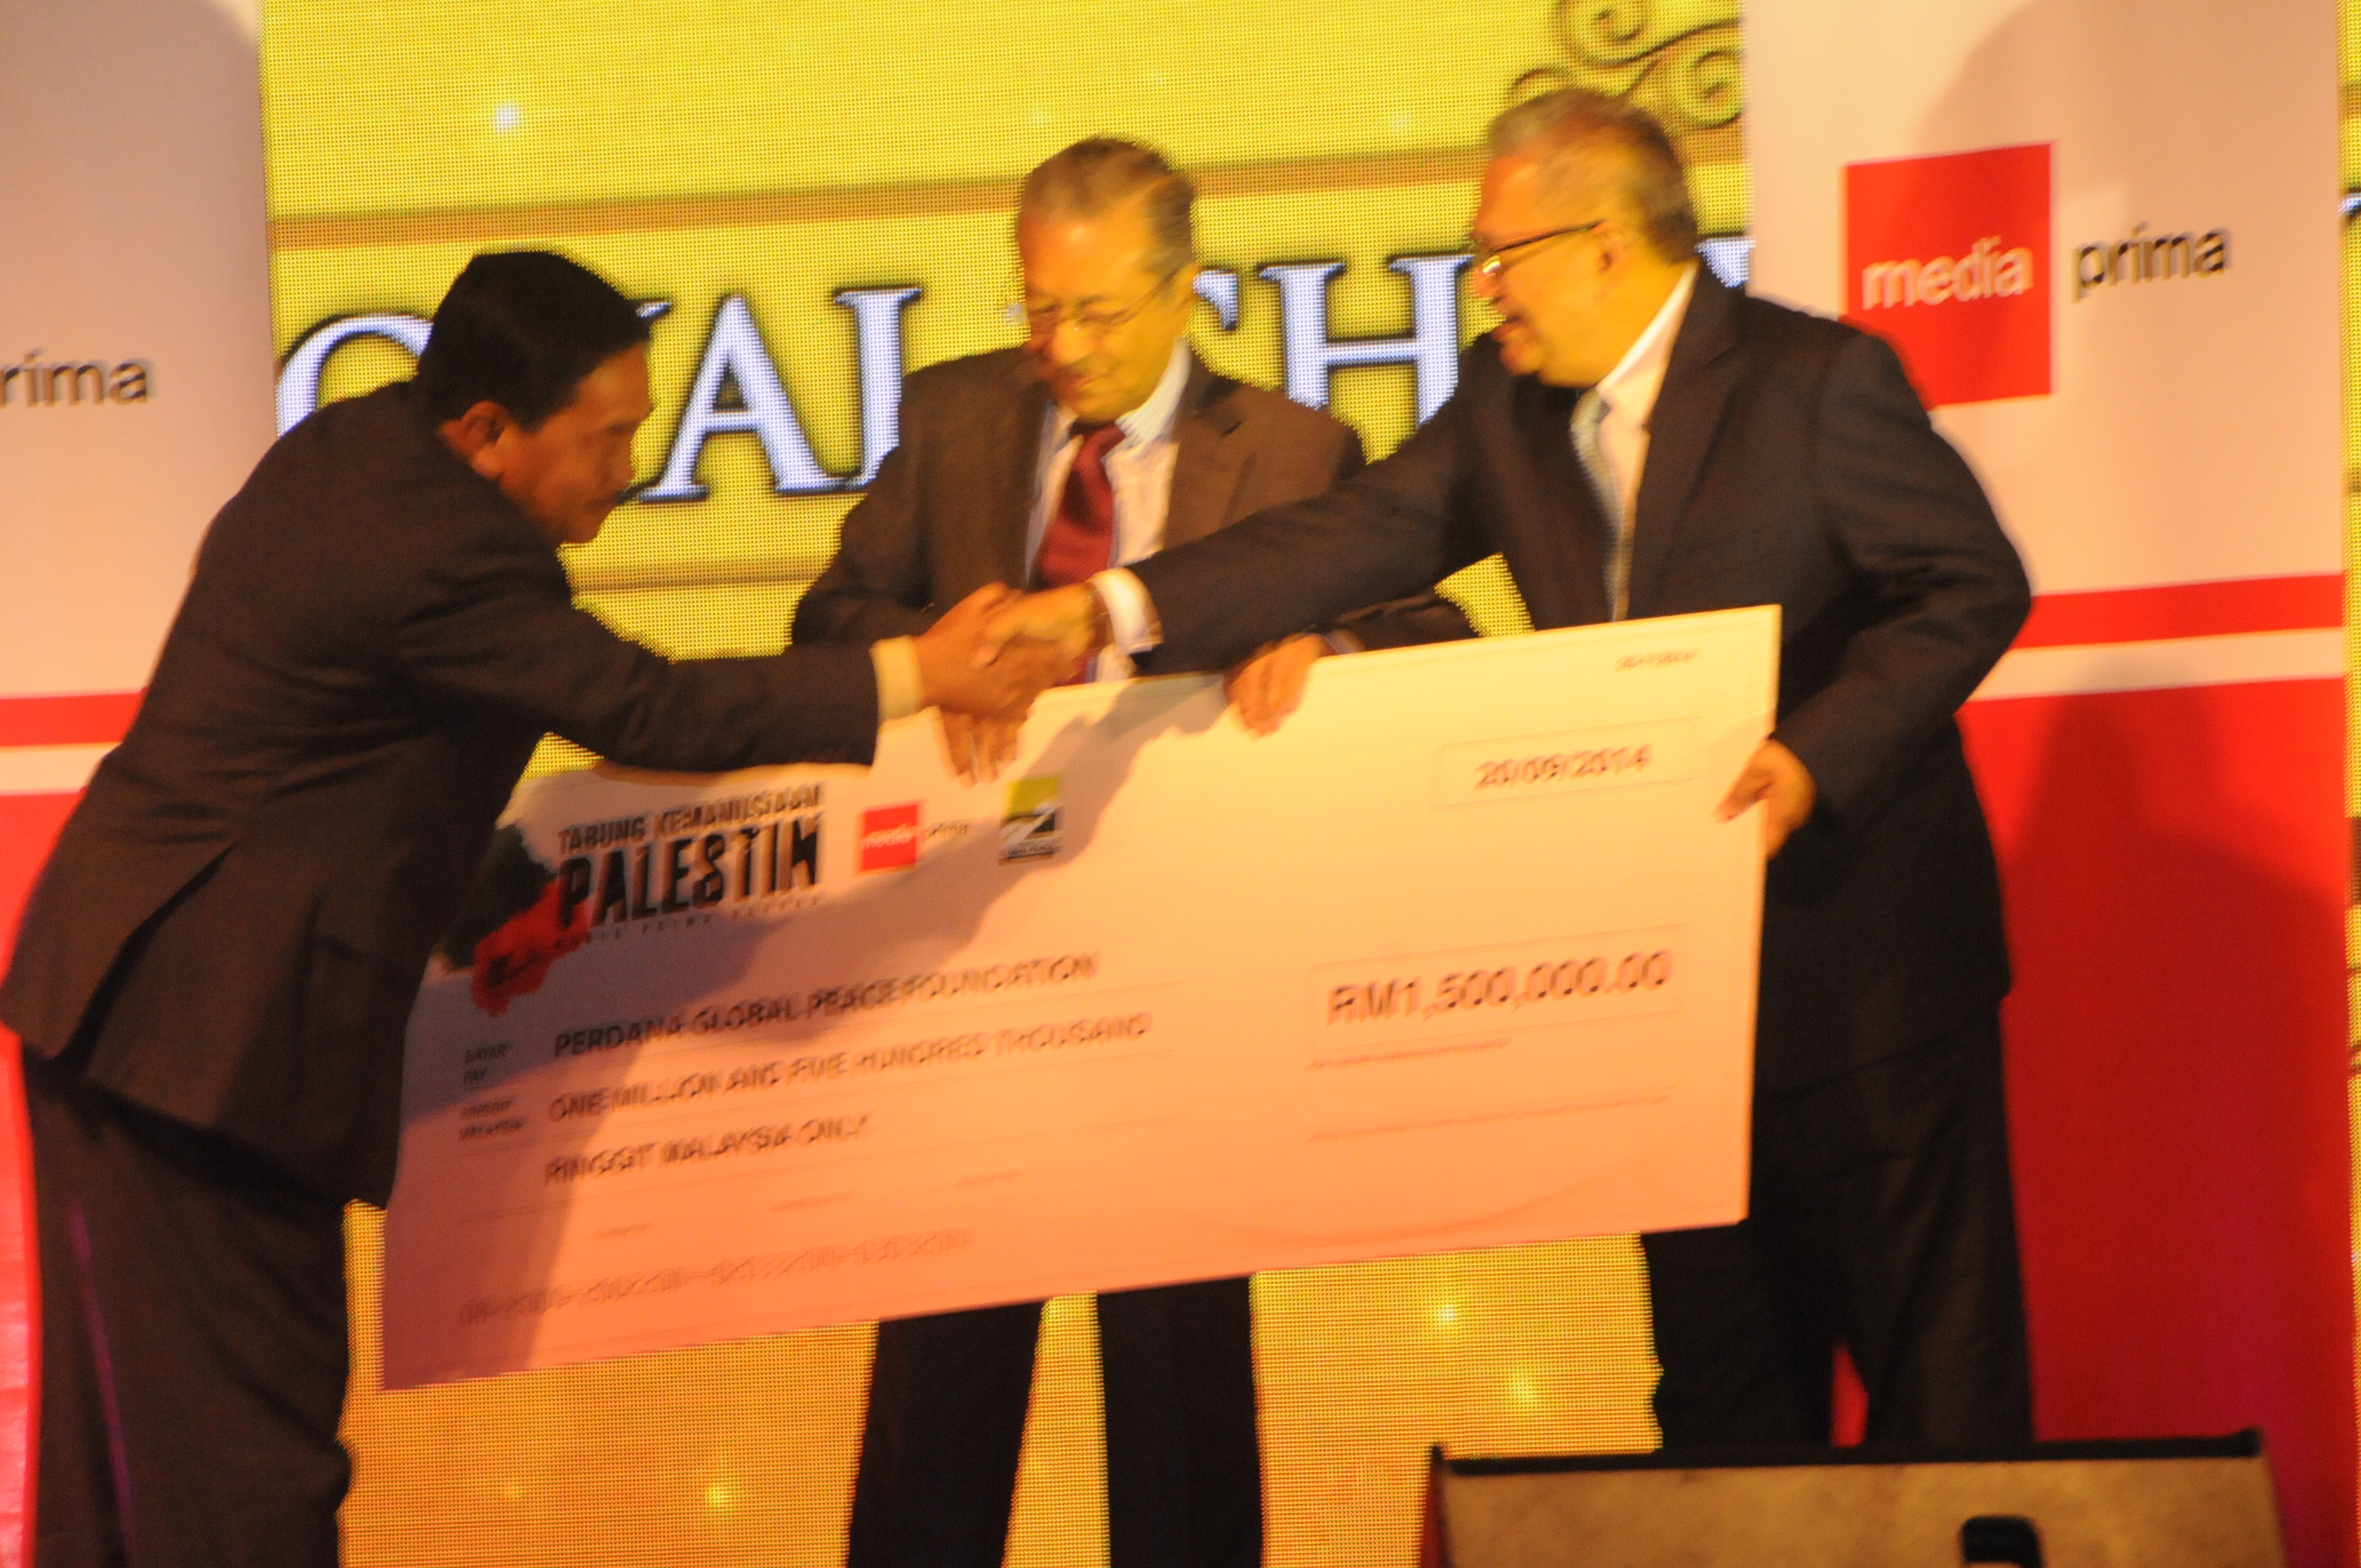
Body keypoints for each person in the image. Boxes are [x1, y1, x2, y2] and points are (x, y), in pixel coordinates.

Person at [979, 90, 2036, 1449]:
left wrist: (1808, 759)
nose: (1484, 288)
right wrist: (1108, 607)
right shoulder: (1504, 403)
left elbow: (1967, 585)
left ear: (1605, 245)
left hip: (1870, 986)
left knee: (1941, 1408)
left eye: (1500, 255)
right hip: (1678, 1008)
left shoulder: (1815, 383)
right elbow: (1355, 535)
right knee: (1725, 1415)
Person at [0, 250, 1065, 1568]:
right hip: (207, 1046)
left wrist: (498, 898)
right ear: (489, 429)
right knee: (247, 1476)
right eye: (606, 436)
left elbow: (347, 760)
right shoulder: (446, 552)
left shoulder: (360, 449)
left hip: (117, 997)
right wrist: (922, 672)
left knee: (119, 1478)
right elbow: (653, 711)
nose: (631, 467)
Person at [800, 137, 1465, 1568]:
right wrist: (933, 654)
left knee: (1179, 1390)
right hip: (970, 971)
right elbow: (829, 620)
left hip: (1183, 976)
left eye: (1097, 313)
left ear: (1184, 292)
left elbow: (1429, 630)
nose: (1061, 347)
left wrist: (1327, 644)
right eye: (1038, 307)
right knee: (940, 1391)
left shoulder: (1291, 451)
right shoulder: (958, 417)